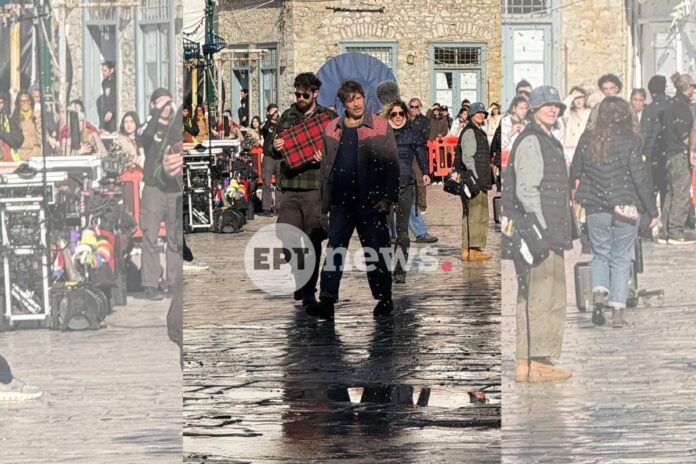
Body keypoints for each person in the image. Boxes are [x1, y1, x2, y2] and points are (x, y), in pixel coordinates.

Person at [306, 80, 399, 320]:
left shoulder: (380, 126)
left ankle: (384, 298)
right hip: (341, 202)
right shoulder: (332, 129)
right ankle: (327, 299)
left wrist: (388, 198)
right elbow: (326, 169)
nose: (356, 104)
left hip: (371, 201)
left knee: (376, 251)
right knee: (334, 251)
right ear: (343, 103)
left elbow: (392, 165)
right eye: (350, 100)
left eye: (358, 98)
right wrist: (324, 204)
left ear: (364, 98)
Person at [503, 85, 574, 383]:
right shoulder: (533, 140)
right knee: (546, 294)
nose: (553, 109)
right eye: (547, 105)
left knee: (530, 294)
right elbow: (527, 190)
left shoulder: (542, 138)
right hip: (539, 231)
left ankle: (525, 362)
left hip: (536, 230)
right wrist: (542, 228)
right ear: (533, 109)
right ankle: (540, 362)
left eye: (556, 105)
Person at [571, 97, 659, 328]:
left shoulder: (587, 138)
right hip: (625, 205)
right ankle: (618, 311)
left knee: (600, 253)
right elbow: (640, 178)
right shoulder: (631, 140)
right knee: (621, 257)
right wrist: (652, 210)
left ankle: (599, 293)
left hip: (595, 207)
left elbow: (575, 171)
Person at [272, 73, 337, 308]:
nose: (300, 98)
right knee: (285, 234)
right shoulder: (288, 116)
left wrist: (325, 156)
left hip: (314, 187)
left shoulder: (328, 118)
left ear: (315, 94)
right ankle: (300, 276)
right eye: (297, 94)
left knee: (312, 238)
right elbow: (271, 149)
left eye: (304, 95)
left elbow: (338, 147)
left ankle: (308, 289)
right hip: (289, 186)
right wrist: (276, 145)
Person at [139, 88, 182, 300]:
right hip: (154, 188)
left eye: (168, 103)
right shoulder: (149, 126)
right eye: (161, 103)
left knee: (175, 237)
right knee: (150, 237)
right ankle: (151, 284)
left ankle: (173, 282)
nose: (166, 108)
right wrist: (155, 113)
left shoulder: (177, 127)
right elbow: (144, 138)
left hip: (174, 189)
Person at [381, 100, 431, 283]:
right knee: (385, 231)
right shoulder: (382, 133)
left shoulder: (412, 133)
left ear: (405, 114)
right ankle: (385, 268)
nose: (397, 117)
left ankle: (399, 270)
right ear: (388, 116)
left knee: (402, 231)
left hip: (406, 185)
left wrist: (425, 172)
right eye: (393, 114)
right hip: (384, 187)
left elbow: (421, 154)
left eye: (401, 113)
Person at [659, 73, 695, 244]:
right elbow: (685, 136)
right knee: (681, 193)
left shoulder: (670, 105)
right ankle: (676, 232)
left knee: (671, 193)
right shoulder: (681, 107)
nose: (694, 90)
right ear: (686, 87)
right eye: (692, 87)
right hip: (680, 154)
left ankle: (665, 231)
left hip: (669, 154)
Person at [457, 102, 493, 261]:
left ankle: (466, 249)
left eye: (483, 113)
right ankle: (474, 249)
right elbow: (468, 158)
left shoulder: (475, 130)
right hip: (475, 179)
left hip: (473, 179)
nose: (481, 115)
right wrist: (475, 178)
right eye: (478, 112)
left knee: (469, 213)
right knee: (478, 214)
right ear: (471, 115)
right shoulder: (471, 132)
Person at [641, 75, 671, 221]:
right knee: (668, 190)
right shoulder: (673, 104)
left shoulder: (650, 109)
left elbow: (644, 134)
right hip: (671, 152)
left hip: (652, 153)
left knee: (651, 189)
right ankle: (667, 224)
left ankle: (649, 222)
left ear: (651, 91)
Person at [259, 104, 281, 216]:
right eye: (273, 111)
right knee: (266, 182)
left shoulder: (280, 123)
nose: (275, 113)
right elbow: (263, 129)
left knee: (280, 183)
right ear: (268, 112)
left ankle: (279, 207)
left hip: (279, 157)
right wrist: (269, 117)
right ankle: (266, 208)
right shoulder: (265, 123)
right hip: (268, 156)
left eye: (276, 111)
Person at [562, 87, 591, 164]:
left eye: (580, 97)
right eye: (576, 98)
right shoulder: (569, 114)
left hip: (586, 149)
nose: (578, 100)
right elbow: (563, 110)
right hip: (570, 151)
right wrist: (571, 97)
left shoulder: (590, 113)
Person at [12, 90, 42, 161]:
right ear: (18, 103)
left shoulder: (36, 117)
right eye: (22, 101)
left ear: (31, 101)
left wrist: (38, 120)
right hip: (21, 155)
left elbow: (40, 140)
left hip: (36, 155)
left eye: (27, 100)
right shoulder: (14, 119)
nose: (25, 103)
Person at [0, 91, 24, 161]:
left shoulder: (9, 121)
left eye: (1, 103)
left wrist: (1, 133)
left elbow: (19, 139)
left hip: (8, 162)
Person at [98, 61, 117, 133]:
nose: (103, 73)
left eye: (105, 71)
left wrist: (111, 111)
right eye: (102, 71)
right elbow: (106, 99)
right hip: (107, 114)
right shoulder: (104, 82)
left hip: (114, 114)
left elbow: (117, 99)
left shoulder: (116, 82)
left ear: (111, 70)